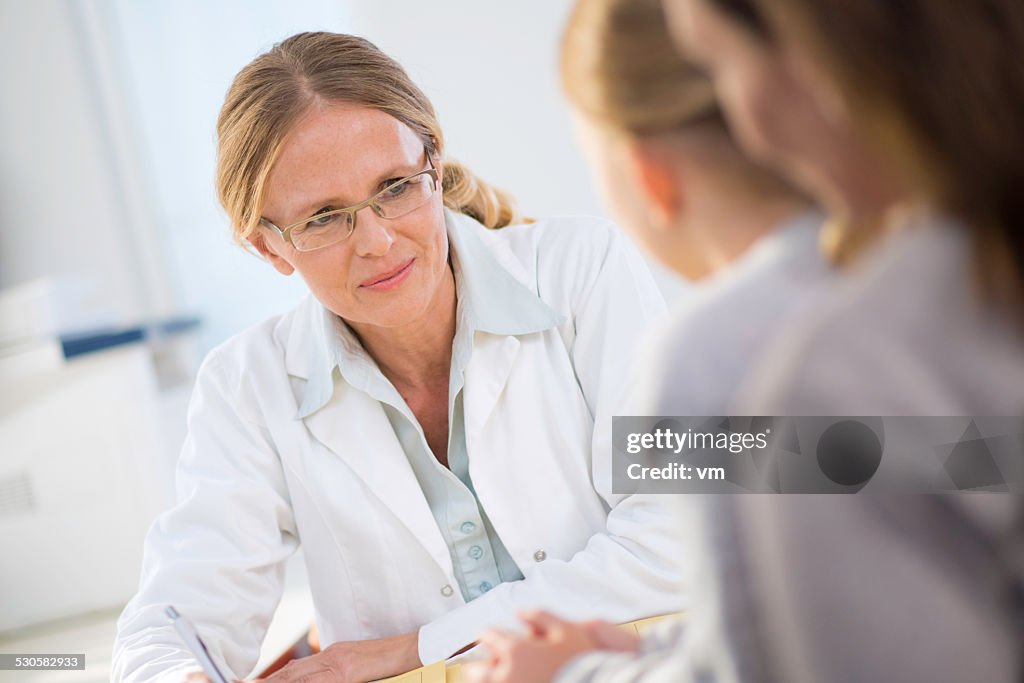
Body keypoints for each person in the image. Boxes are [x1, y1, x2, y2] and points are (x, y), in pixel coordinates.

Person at [465, 0, 1024, 681]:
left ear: (650, 178)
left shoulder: (721, 361)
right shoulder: (958, 262)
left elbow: (764, 658)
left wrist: (569, 673)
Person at [110, 31, 685, 683]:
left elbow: (678, 534)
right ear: (270, 249)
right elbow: (167, 623)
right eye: (325, 218)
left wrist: (422, 646)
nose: (378, 241)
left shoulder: (584, 269)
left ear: (434, 166)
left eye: (395, 186)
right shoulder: (248, 386)